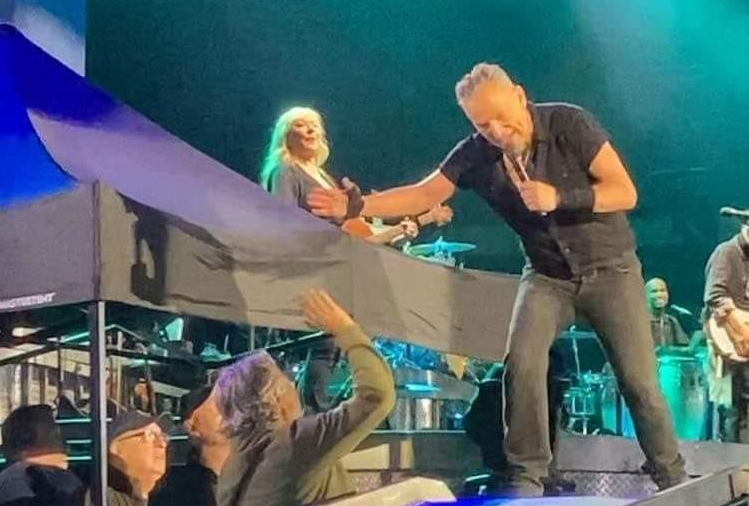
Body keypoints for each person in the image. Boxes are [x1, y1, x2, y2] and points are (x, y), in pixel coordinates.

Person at [307, 62, 686, 496]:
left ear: (520, 96)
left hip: (611, 270)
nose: (497, 131)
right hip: (547, 276)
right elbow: (424, 193)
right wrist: (356, 207)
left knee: (639, 382)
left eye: (503, 118)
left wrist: (560, 196)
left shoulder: (569, 123)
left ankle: (671, 475)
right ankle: (527, 475)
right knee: (521, 367)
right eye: (483, 125)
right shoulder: (476, 154)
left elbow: (624, 191)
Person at [259, 106, 451, 414]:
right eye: (301, 125)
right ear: (286, 134)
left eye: (314, 125)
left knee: (334, 343)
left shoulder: (322, 175)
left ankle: (319, 414)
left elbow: (352, 229)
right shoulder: (285, 170)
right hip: (310, 269)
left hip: (335, 269)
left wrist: (414, 221)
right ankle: (313, 416)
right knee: (323, 344)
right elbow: (283, 221)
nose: (310, 130)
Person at [212, 289, 395, 506]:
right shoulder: (295, 445)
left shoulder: (235, 467)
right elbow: (377, 396)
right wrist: (346, 330)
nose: (294, 385)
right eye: (287, 382)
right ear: (277, 400)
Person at [704, 221, 749, 442]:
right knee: (734, 408)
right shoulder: (727, 252)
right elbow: (715, 295)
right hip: (729, 338)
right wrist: (740, 331)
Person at [150, 387, 227, 506]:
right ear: (191, 426)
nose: (236, 413)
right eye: (221, 406)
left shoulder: (252, 478)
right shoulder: (172, 493)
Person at [0, 404, 84, 506]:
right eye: (54, 437)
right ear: (27, 445)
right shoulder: (16, 482)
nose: (64, 446)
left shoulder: (56, 475)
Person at [86, 411, 171, 506]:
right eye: (150, 435)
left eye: (163, 437)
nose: (162, 444)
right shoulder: (99, 499)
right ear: (115, 447)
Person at [644, 277, 694, 350]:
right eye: (654, 291)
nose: (659, 295)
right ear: (645, 295)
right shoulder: (638, 323)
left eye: (663, 290)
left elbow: (683, 348)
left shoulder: (672, 322)